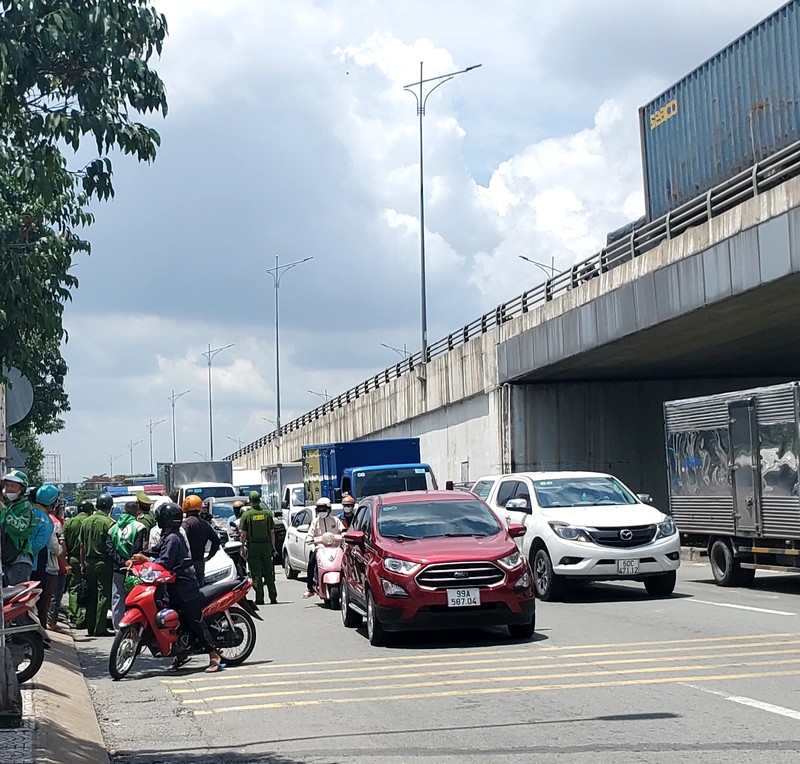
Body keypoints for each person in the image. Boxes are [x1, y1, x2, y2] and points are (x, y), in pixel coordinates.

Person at [129, 502, 223, 673]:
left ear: (165, 519)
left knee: (194, 620)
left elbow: (165, 561)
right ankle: (180, 653)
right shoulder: (169, 535)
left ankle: (214, 655)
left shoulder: (173, 538)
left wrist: (146, 560)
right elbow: (156, 550)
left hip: (185, 587)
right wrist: (141, 556)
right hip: (172, 586)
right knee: (174, 620)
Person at [107, 501, 147, 630]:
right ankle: (134, 627)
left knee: (118, 599)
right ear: (137, 511)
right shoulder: (139, 526)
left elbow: (110, 549)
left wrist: (122, 562)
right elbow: (138, 547)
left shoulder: (112, 528)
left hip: (118, 569)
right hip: (135, 570)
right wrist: (131, 561)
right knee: (135, 598)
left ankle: (118, 630)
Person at [79, 493, 115, 637]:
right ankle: (100, 628)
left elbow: (81, 545)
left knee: (91, 594)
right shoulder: (110, 523)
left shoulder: (86, 522)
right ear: (109, 506)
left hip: (88, 562)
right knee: (104, 595)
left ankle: (90, 625)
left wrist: (82, 563)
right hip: (104, 562)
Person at [239, 490, 277, 605]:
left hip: (254, 547)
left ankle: (259, 598)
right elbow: (272, 532)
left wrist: (242, 547)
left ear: (250, 501)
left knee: (256, 573)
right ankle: (273, 597)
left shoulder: (246, 515)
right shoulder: (267, 514)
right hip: (266, 546)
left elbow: (243, 534)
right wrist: (273, 547)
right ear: (259, 500)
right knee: (269, 573)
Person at [302, 497, 344, 599]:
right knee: (311, 564)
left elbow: (342, 530)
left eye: (323, 509)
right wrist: (309, 538)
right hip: (320, 548)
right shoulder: (315, 522)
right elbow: (310, 533)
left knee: (345, 563)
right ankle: (310, 589)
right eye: (319, 509)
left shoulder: (335, 520)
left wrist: (344, 535)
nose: (322, 512)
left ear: (329, 509)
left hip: (335, 547)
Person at [0, 470, 35, 586]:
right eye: (7, 485)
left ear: (22, 489)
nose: (8, 488)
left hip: (19, 561)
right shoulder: (8, 505)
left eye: (13, 486)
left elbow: (20, 528)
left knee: (17, 599)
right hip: (6, 560)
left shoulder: (25, 506)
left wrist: (4, 511)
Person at [64, 500, 93, 628]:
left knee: (74, 589)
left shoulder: (69, 523)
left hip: (73, 559)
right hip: (89, 559)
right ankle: (89, 617)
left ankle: (76, 616)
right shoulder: (90, 521)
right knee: (90, 588)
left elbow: (63, 542)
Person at [181, 495, 220, 587]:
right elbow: (216, 541)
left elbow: (181, 540)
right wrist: (209, 556)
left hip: (187, 564)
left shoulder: (187, 523)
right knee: (200, 589)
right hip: (200, 561)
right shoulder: (205, 523)